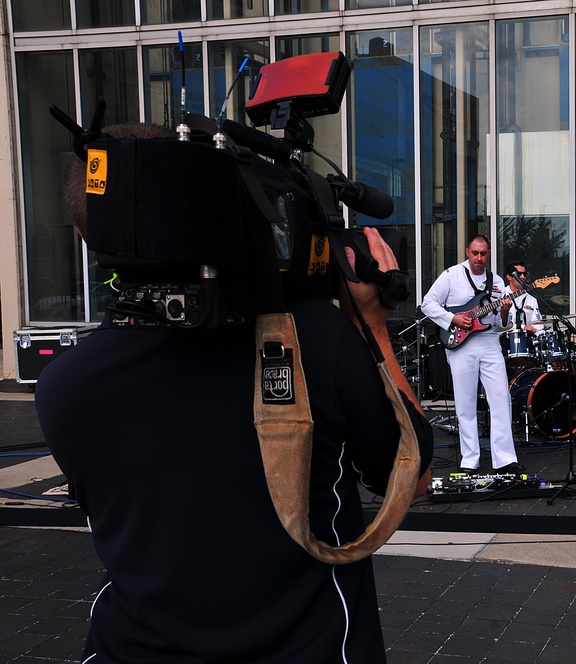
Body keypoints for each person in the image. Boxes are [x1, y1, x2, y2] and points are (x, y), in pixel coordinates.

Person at [35, 122, 434, 663]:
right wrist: (372, 323)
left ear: (87, 236)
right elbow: (413, 474)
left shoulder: (63, 386)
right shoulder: (318, 340)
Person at [421, 235, 524, 474]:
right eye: (475, 253)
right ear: (467, 252)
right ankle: (470, 459)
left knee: (501, 399)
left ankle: (505, 459)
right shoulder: (451, 275)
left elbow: (499, 324)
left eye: (484, 254)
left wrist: (506, 312)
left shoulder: (497, 282)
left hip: (489, 343)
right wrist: (452, 318)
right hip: (461, 345)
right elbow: (428, 304)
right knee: (465, 403)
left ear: (489, 254)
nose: (479, 258)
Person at [502, 260, 544, 333]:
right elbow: (498, 325)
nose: (522, 277)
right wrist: (523, 327)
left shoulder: (532, 300)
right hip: (504, 340)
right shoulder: (501, 296)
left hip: (526, 341)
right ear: (509, 277)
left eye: (524, 274)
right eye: (518, 274)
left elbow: (538, 325)